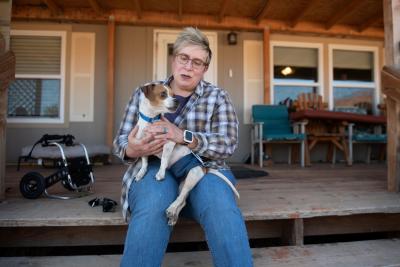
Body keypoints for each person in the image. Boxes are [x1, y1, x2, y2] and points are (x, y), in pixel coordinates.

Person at [113, 27, 253, 267]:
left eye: (197, 62)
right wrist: (133, 149)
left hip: (205, 169)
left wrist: (184, 136)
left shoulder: (218, 97)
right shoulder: (146, 92)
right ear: (174, 58)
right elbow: (121, 143)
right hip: (153, 167)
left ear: (205, 69)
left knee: (221, 207)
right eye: (184, 58)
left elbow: (228, 144)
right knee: (153, 204)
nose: (188, 67)